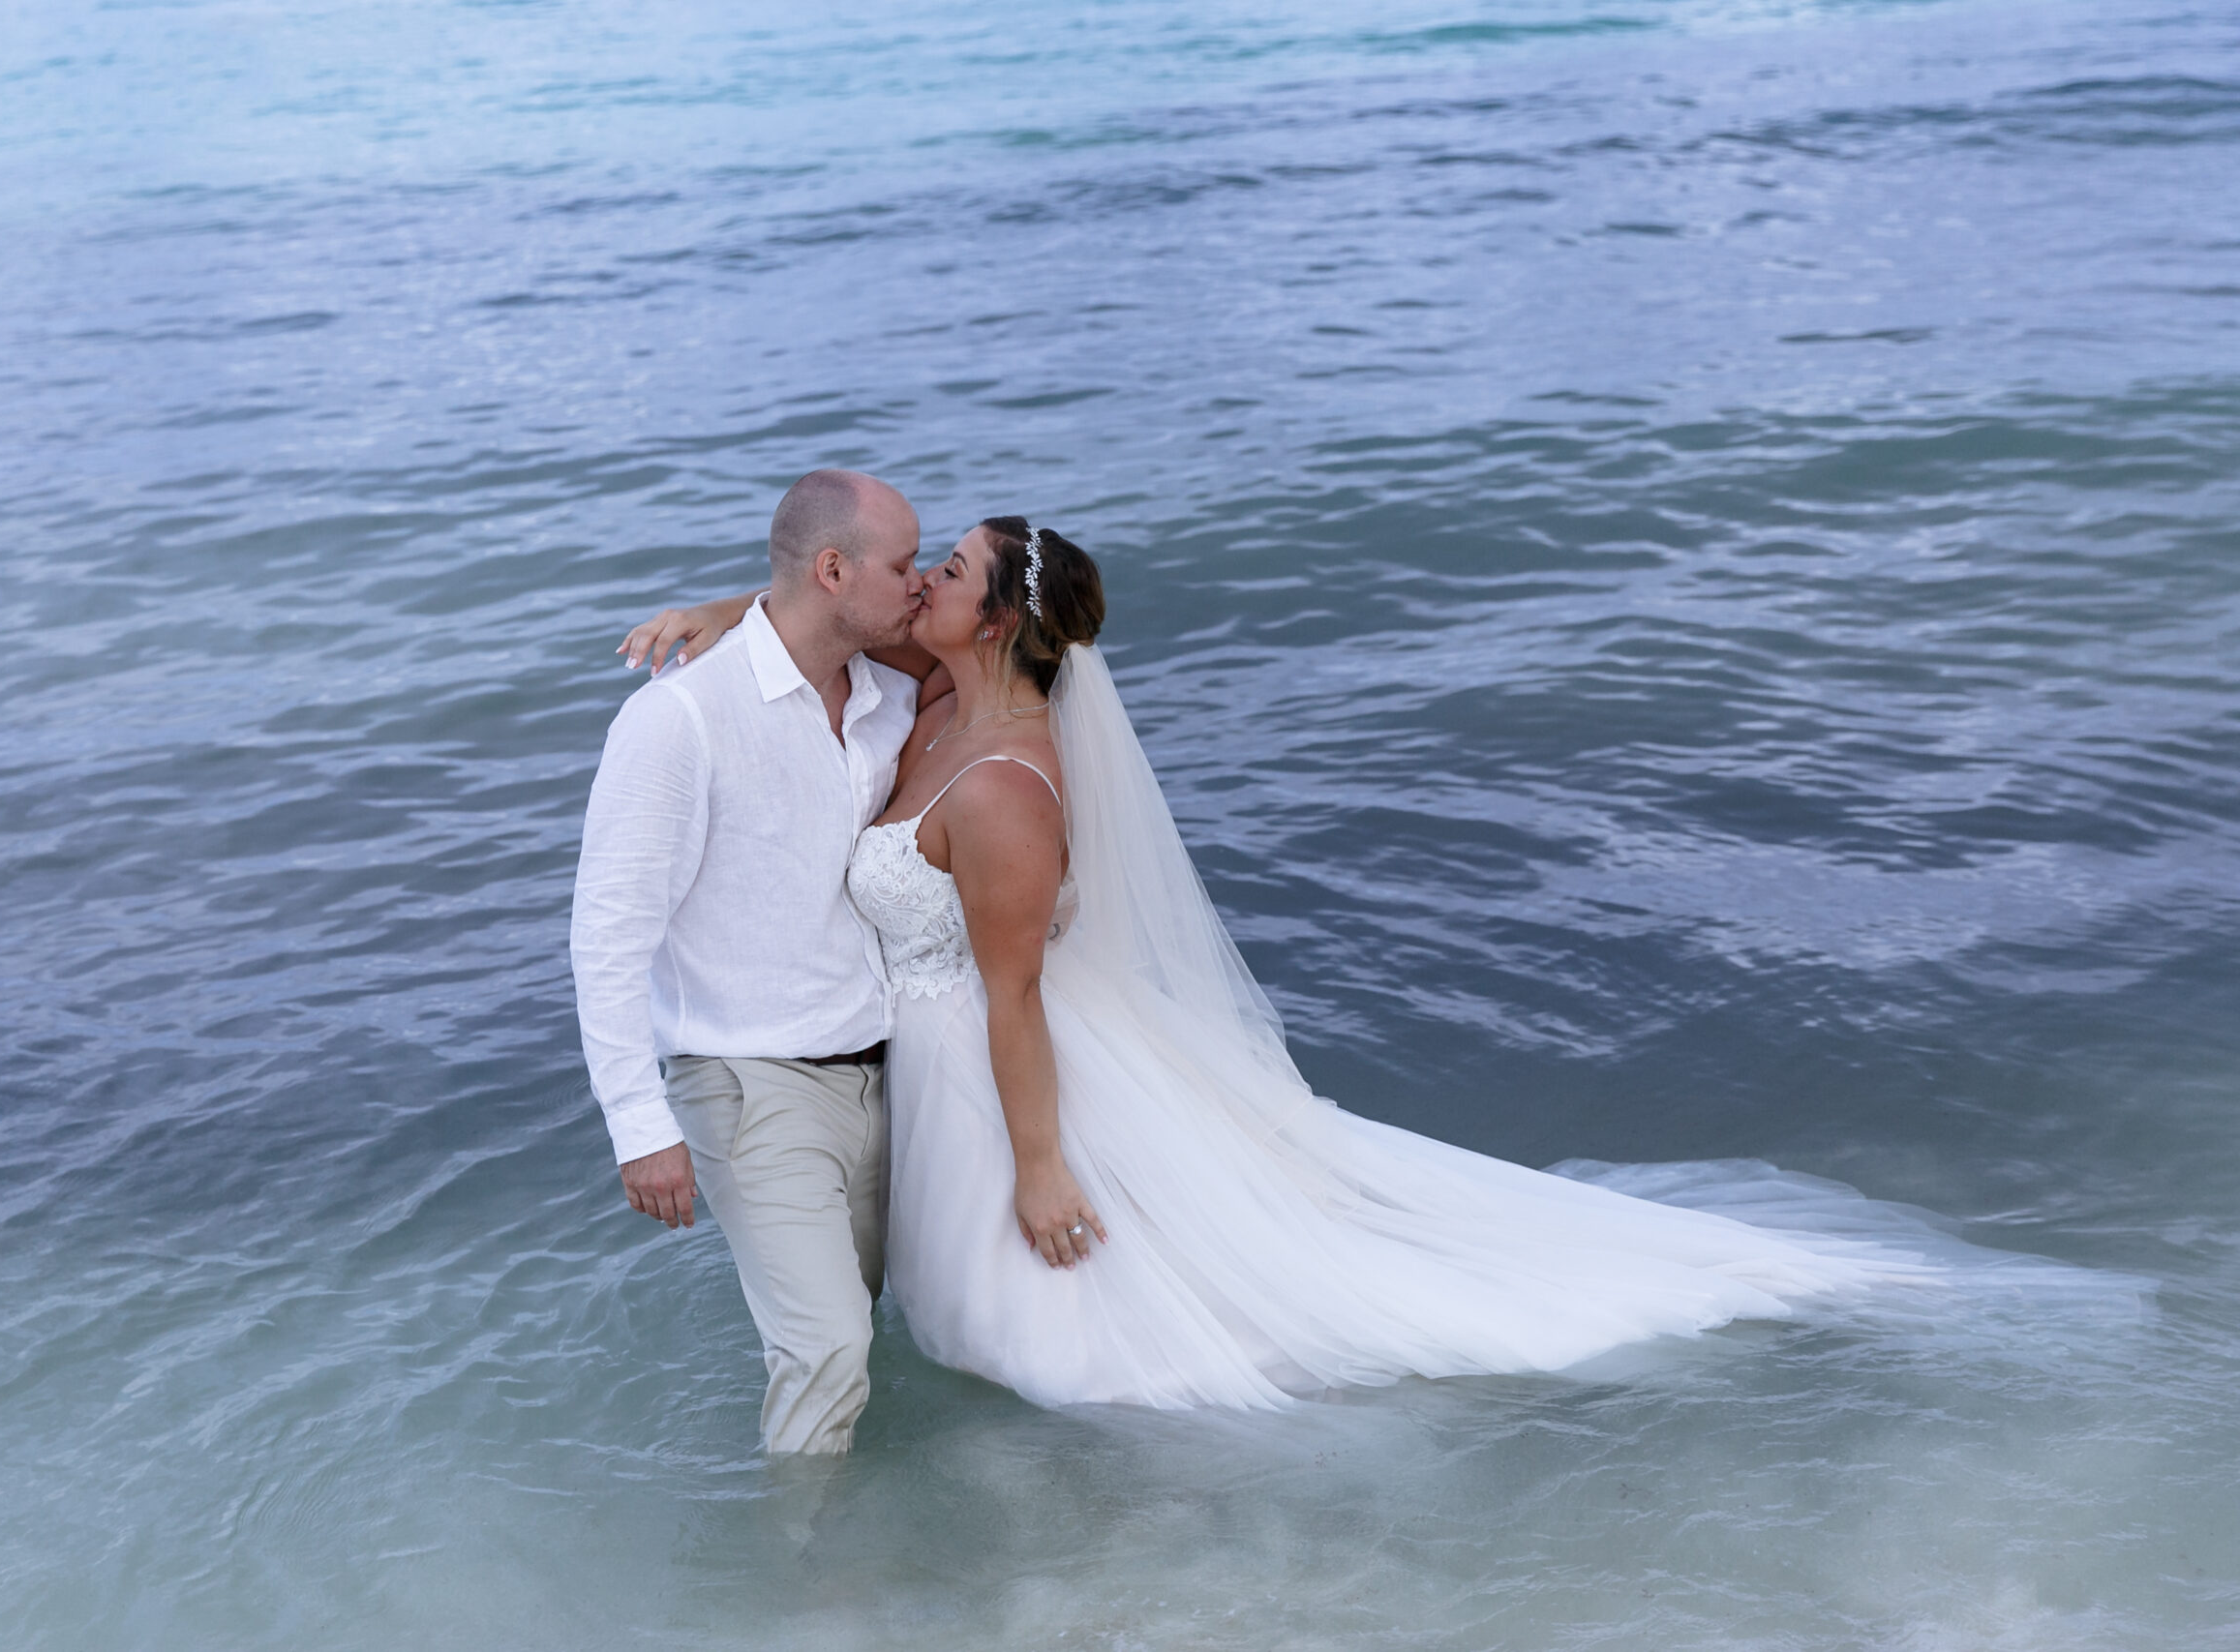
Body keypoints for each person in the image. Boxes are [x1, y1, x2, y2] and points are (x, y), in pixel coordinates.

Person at [617, 518, 1950, 1411]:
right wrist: (735, 606)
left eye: (949, 570)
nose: (922, 583)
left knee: (1062, 1346)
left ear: (999, 623)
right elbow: (840, 614)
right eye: (924, 565)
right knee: (958, 1325)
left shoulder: (1011, 783)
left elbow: (1013, 992)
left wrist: (1039, 1163)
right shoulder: (949, 682)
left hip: (977, 1054)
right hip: (917, 1040)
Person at [570, 467, 933, 1454]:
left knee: (857, 1335)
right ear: (831, 570)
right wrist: (638, 1126)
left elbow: (990, 644)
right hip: (746, 1081)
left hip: (883, 1072)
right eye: (903, 566)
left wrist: (735, 605)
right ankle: (804, 1586)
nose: (922, 586)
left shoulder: (889, 700)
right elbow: (608, 933)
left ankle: (858, 1528)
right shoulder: (678, 720)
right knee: (826, 1349)